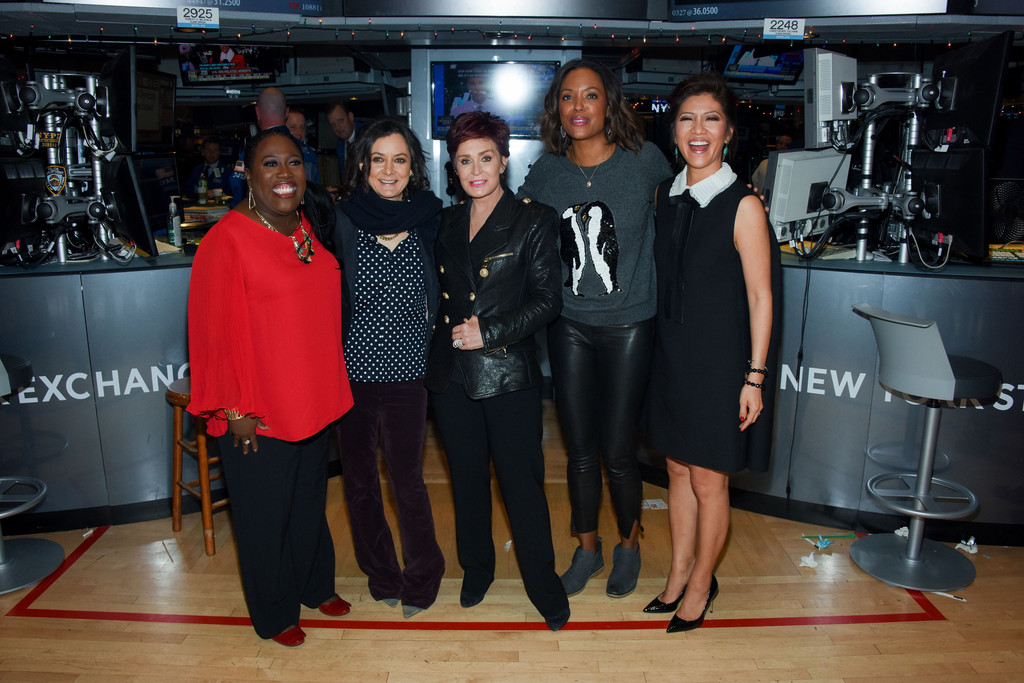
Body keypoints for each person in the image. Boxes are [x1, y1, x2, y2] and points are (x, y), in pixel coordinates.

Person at [186, 128, 354, 647]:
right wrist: (232, 407)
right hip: (256, 408)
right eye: (270, 164)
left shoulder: (304, 227)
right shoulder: (226, 239)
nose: (285, 175)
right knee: (263, 516)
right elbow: (210, 332)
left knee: (306, 503)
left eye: (294, 164)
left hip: (310, 396)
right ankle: (275, 612)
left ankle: (313, 584)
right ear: (248, 174)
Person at [517, 58, 672, 599]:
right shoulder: (546, 172)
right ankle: (588, 547)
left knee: (618, 450)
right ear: (556, 108)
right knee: (579, 449)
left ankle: (629, 543)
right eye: (567, 97)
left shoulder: (645, 162)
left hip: (631, 323)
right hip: (569, 325)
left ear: (610, 103)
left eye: (590, 96)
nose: (578, 107)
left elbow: (681, 225)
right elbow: (518, 239)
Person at [643, 72, 781, 632]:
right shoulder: (666, 195)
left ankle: (702, 584)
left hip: (721, 363)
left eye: (711, 119)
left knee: (708, 479)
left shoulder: (744, 204)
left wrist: (755, 377)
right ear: (673, 129)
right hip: (671, 356)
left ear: (728, 132)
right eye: (686, 118)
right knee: (676, 468)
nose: (697, 130)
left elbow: (761, 294)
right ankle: (677, 573)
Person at [424, 111, 569, 631]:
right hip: (452, 377)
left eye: (486, 158)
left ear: (504, 160)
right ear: (454, 169)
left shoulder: (535, 219)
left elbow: (548, 300)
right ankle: (477, 569)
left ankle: (542, 583)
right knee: (465, 483)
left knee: (521, 485)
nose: (476, 169)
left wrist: (490, 332)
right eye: (465, 161)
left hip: (508, 375)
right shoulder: (443, 222)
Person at [325, 117, 445, 619]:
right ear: (362, 164)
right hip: (351, 373)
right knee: (358, 482)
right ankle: (381, 572)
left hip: (408, 372)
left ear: (413, 165)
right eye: (379, 159)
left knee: (407, 481)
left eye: (399, 159)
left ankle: (424, 573)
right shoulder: (341, 217)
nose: (389, 170)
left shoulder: (430, 214)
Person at [228, 87, 290, 207]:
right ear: (287, 113)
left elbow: (237, 183)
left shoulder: (254, 150)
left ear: (257, 112)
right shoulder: (307, 151)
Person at [285, 108, 322, 184]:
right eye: (293, 127)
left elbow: (316, 185)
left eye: (302, 127)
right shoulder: (275, 154)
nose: (299, 132)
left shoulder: (310, 154)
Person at [327, 99, 357, 184]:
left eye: (340, 121)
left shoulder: (367, 137)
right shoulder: (340, 145)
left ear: (350, 117)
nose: (338, 127)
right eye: (333, 125)